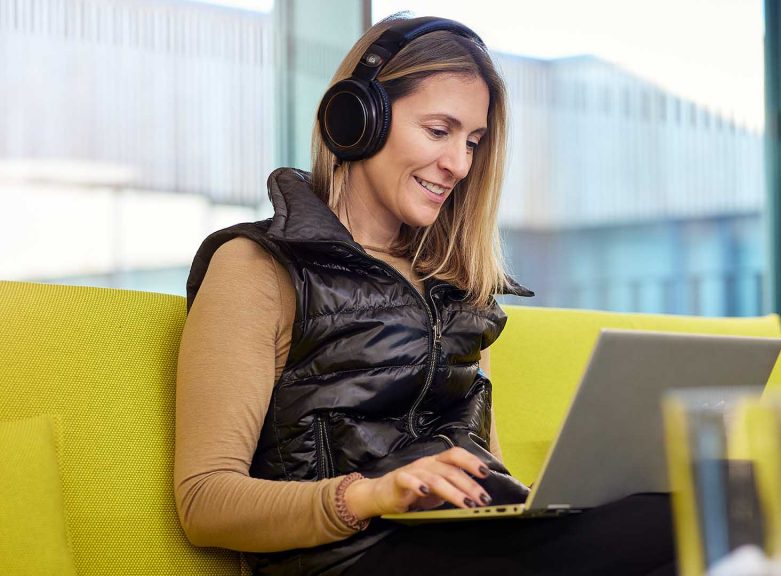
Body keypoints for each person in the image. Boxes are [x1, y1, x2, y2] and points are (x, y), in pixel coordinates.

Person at [174, 14, 675, 576]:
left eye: (473, 142)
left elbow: (488, 468)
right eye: (439, 131)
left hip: (465, 547)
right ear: (357, 118)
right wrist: (370, 495)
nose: (459, 164)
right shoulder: (259, 267)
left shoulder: (459, 285)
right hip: (346, 560)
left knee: (679, 511)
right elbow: (205, 501)